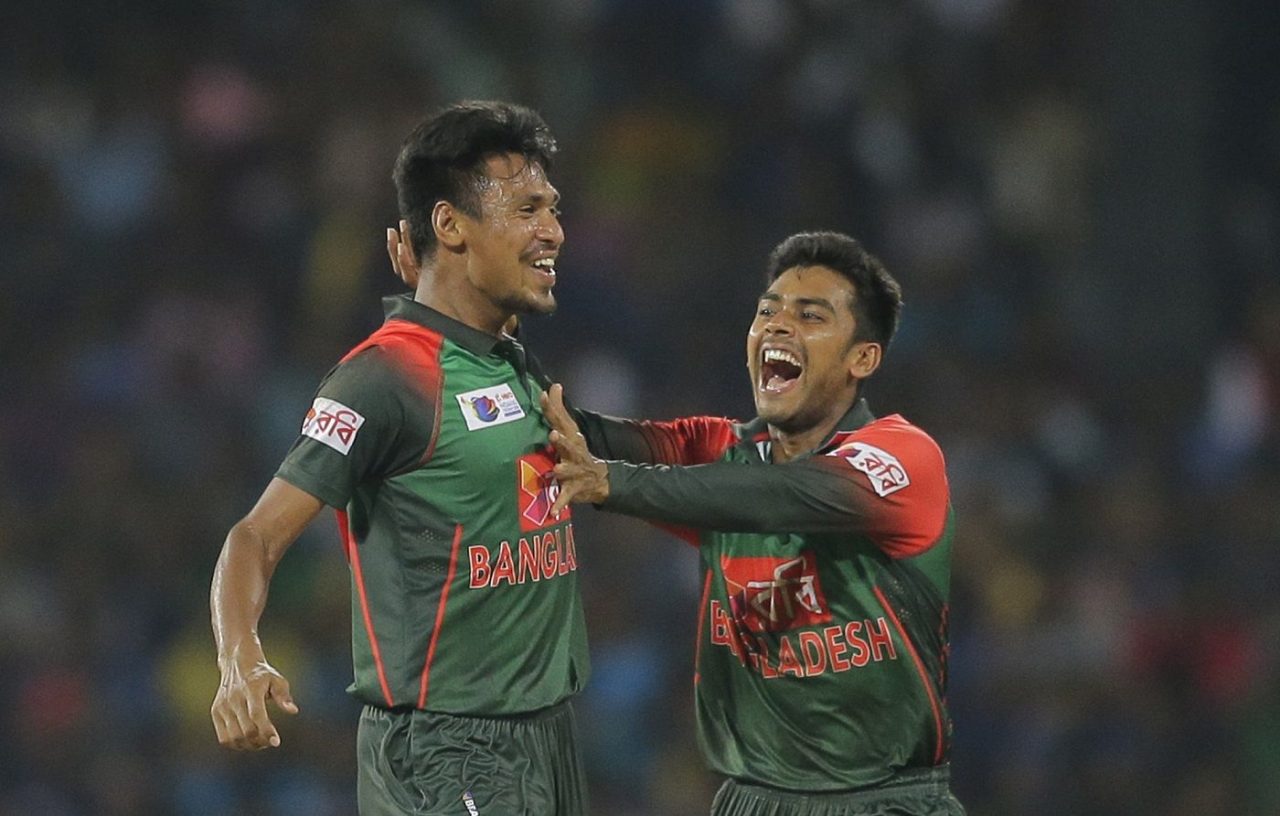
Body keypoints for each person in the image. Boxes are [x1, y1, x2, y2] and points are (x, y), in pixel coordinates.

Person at [210, 100, 592, 816]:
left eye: (554, 209)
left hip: (548, 738)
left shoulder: (510, 363)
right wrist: (240, 658)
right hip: (449, 749)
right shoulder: (383, 379)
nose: (554, 232)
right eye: (528, 209)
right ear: (450, 226)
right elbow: (254, 537)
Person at [543, 232, 966, 815]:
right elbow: (581, 430)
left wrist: (614, 483)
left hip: (879, 802)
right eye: (768, 311)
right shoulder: (723, 453)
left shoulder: (903, 459)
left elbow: (782, 496)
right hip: (751, 800)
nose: (778, 325)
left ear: (861, 358)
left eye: (811, 315)